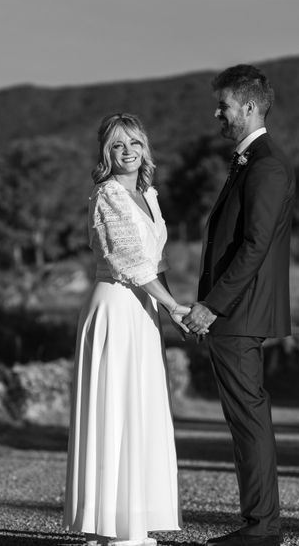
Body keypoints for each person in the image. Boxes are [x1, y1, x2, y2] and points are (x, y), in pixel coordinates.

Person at [183, 65, 295, 546]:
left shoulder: (266, 163)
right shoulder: (252, 160)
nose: (218, 114)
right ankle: (260, 524)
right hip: (238, 310)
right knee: (246, 417)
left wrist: (212, 305)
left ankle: (261, 527)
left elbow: (254, 246)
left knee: (248, 418)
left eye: (223, 105)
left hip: (238, 311)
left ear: (248, 107)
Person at [64, 113, 188, 546]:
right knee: (115, 409)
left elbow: (157, 263)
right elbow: (131, 262)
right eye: (118, 145)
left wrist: (171, 312)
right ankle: (111, 527)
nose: (128, 151)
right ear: (106, 153)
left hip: (145, 311)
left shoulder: (149, 195)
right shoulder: (108, 195)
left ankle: (134, 520)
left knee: (140, 409)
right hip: (116, 307)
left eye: (134, 142)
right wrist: (174, 306)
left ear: (145, 148)